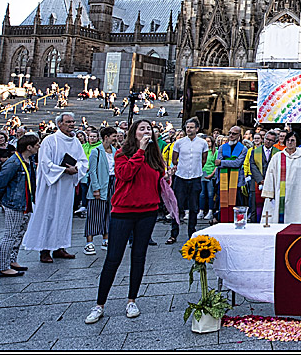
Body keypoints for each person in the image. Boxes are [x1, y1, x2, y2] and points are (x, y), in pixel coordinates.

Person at [85, 119, 165, 324]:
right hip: (123, 211)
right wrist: (140, 151)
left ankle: (132, 300)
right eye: (142, 129)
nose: (146, 131)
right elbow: (125, 174)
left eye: (149, 128)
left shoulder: (155, 156)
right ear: (134, 133)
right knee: (113, 258)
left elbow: (157, 179)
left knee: (139, 256)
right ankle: (99, 304)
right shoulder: (123, 154)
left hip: (148, 211)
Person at [22, 112, 88, 263]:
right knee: (49, 215)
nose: (72, 124)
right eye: (68, 122)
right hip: (51, 186)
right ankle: (45, 250)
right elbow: (45, 163)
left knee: (64, 216)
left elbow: (83, 160)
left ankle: (60, 247)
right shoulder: (50, 141)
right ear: (59, 124)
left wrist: (76, 168)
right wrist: (64, 170)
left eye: (73, 121)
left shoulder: (76, 142)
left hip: (66, 186)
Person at [0, 133, 41, 277]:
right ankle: (3, 266)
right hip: (14, 203)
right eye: (37, 144)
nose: (39, 147)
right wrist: (2, 200)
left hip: (25, 202)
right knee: (10, 235)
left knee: (19, 233)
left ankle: (12, 260)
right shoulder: (14, 162)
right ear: (29, 147)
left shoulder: (29, 160)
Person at [168, 118, 208, 244]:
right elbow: (175, 159)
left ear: (197, 129)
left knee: (194, 207)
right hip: (181, 177)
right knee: (177, 206)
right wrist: (182, 166)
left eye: (191, 127)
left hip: (195, 177)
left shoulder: (202, 143)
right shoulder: (179, 143)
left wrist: (196, 168)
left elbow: (204, 159)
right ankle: (174, 233)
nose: (188, 129)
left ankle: (192, 232)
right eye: (187, 127)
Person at [261, 133, 301, 223]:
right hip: (280, 193)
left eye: (292, 140)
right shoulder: (277, 157)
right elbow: (270, 174)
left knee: (297, 216)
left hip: (297, 194)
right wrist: (270, 192)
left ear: (296, 142)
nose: (290, 142)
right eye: (288, 140)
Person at [83, 126, 117, 255]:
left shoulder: (114, 151)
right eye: (113, 136)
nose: (115, 138)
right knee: (94, 214)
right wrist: (95, 188)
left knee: (109, 212)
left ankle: (106, 239)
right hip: (100, 183)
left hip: (112, 183)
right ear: (106, 137)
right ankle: (89, 242)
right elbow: (92, 171)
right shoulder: (96, 151)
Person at [216, 126, 247, 223]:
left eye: (234, 134)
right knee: (222, 204)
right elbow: (217, 163)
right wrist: (224, 162)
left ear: (239, 136)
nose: (231, 135)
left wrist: (222, 162)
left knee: (236, 204)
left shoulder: (243, 149)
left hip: (236, 181)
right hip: (223, 179)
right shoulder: (222, 147)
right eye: (230, 133)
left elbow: (237, 163)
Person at [242, 131, 272, 222]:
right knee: (254, 203)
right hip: (255, 179)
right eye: (255, 138)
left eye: (258, 138)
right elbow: (251, 164)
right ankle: (254, 221)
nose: (256, 140)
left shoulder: (276, 152)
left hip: (270, 180)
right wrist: (260, 179)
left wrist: (267, 179)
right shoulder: (252, 151)